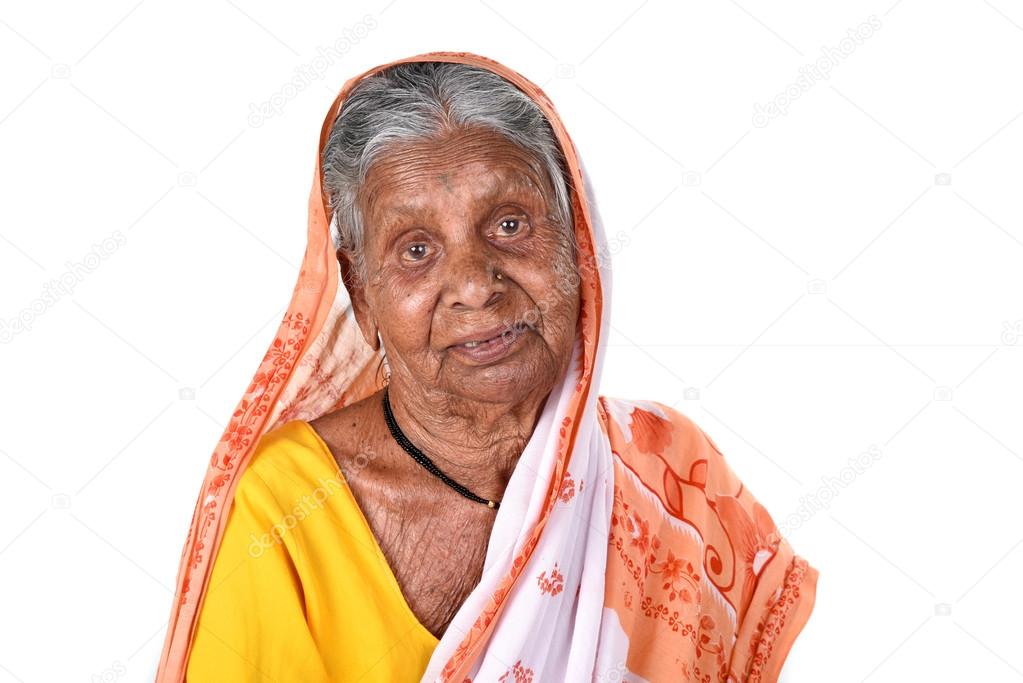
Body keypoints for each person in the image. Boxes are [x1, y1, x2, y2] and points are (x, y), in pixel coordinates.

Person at [156, 51, 817, 683]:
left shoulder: (668, 469)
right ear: (361, 292)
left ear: (577, 243)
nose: (474, 285)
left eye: (508, 225)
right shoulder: (287, 502)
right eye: (415, 248)